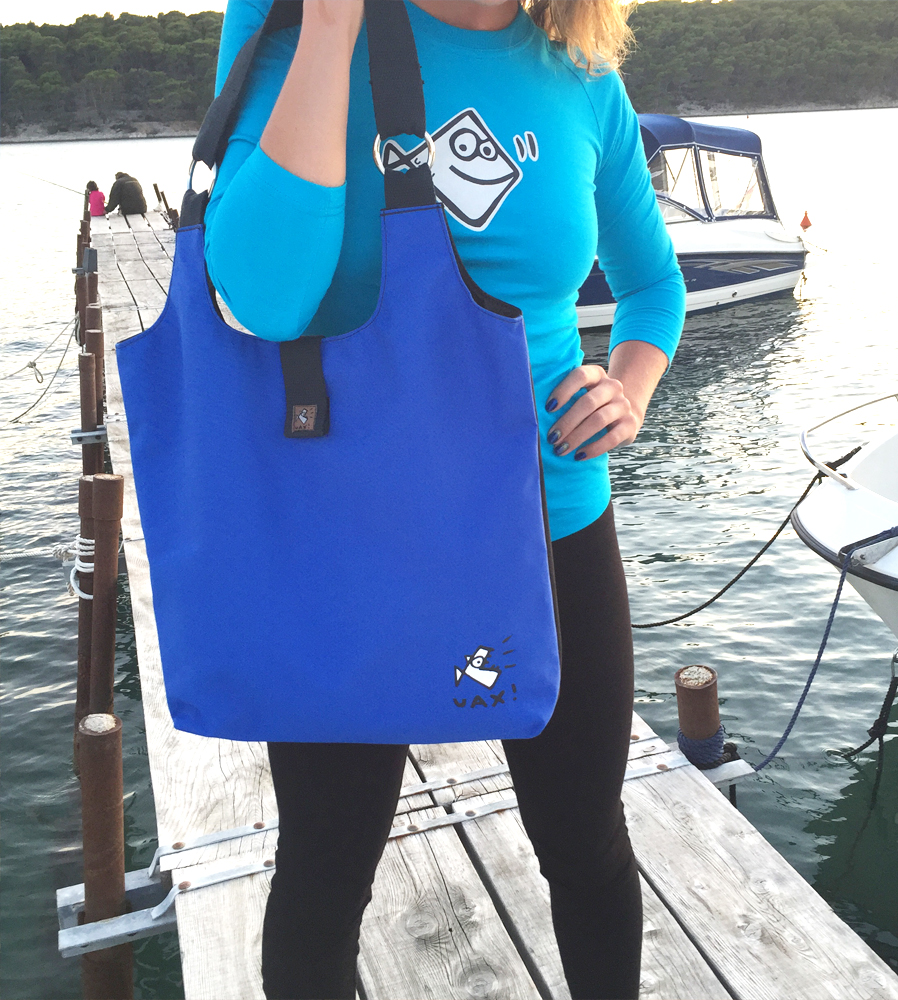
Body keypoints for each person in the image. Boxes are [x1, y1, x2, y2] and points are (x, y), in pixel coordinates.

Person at [206, 2, 686, 998]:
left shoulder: (579, 70)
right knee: (325, 869)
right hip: (348, 533)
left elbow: (652, 285)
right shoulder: (286, 27)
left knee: (586, 839)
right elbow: (261, 296)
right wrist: (331, 29)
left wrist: (627, 388)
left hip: (548, 514)